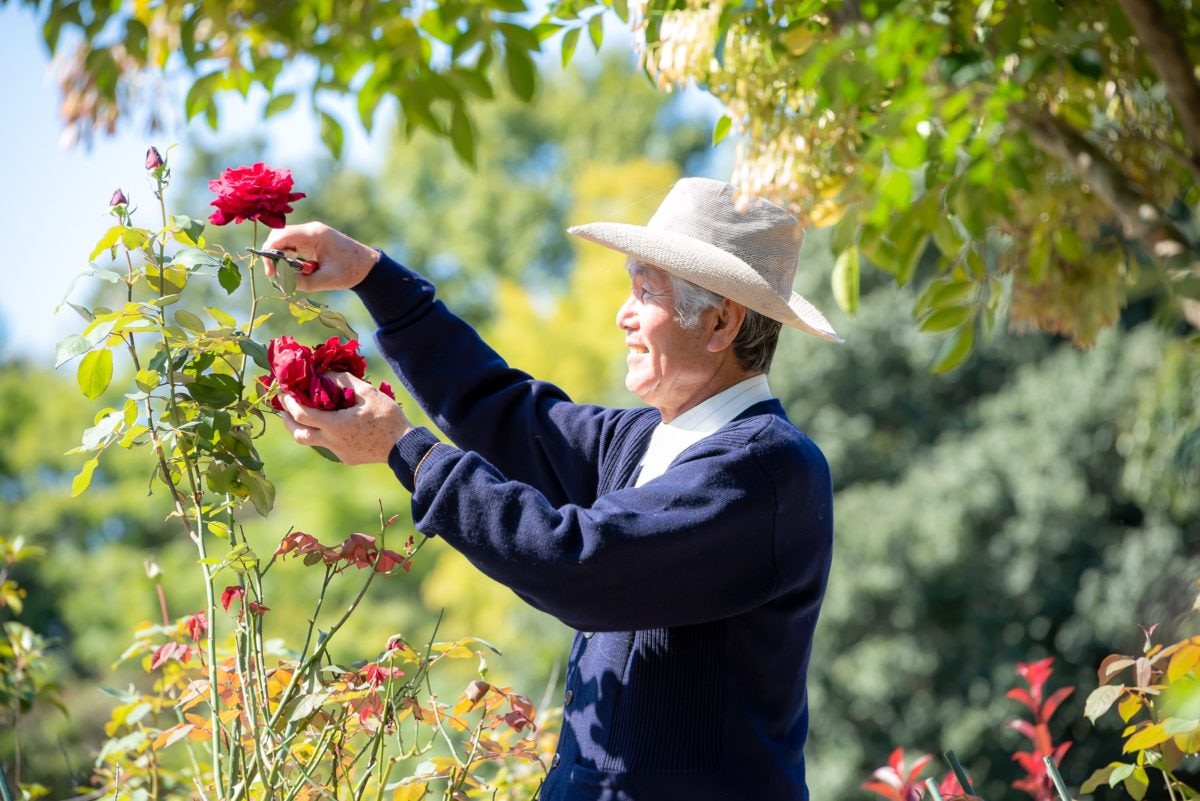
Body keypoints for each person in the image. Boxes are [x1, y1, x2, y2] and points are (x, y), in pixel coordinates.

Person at [262, 177, 841, 800]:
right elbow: (499, 408)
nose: (623, 314)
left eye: (645, 292)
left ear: (722, 321)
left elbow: (580, 565)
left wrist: (405, 450)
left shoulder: (765, 469)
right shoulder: (647, 440)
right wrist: (372, 276)